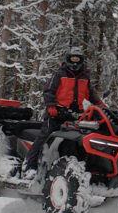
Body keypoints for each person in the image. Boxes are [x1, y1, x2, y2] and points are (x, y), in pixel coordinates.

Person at [23, 46, 105, 175]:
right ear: (68, 59)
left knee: (79, 139)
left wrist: (100, 105)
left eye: (78, 59)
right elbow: (48, 90)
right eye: (73, 58)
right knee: (45, 135)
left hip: (74, 115)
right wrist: (51, 106)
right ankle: (29, 166)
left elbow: (91, 94)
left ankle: (75, 166)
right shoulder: (60, 74)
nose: (75, 61)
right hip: (57, 112)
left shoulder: (84, 77)